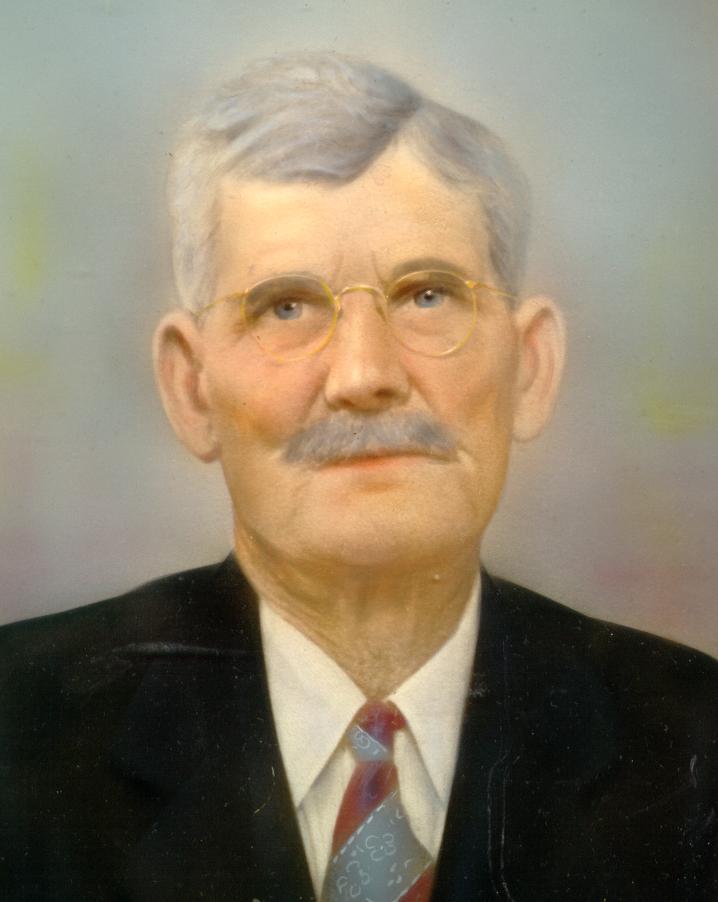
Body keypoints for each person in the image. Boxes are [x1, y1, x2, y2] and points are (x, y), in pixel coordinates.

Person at [1, 52, 716, 902]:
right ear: (192, 388)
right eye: (287, 306)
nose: (365, 374)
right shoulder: (18, 730)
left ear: (530, 368)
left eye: (427, 295)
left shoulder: (695, 740)